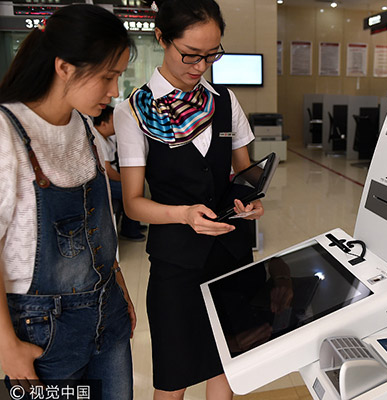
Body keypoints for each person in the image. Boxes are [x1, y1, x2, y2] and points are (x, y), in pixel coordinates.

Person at [114, 0, 263, 398]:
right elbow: (133, 203)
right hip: (176, 264)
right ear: (162, 38)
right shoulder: (134, 112)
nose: (201, 67)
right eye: (191, 55)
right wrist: (183, 214)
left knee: (229, 364)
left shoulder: (225, 101)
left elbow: (244, 170)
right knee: (173, 374)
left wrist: (253, 197)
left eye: (211, 55)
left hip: (231, 255)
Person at [0, 4, 136, 399]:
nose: (115, 91)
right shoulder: (7, 132)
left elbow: (99, 225)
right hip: (42, 333)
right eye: (107, 76)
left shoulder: (84, 125)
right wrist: (8, 349)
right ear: (63, 67)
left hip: (108, 312)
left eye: (118, 76)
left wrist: (118, 286)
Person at [94, 106, 146, 241]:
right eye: (113, 121)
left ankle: (134, 223)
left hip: (110, 178)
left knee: (136, 187)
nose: (117, 124)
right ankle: (130, 230)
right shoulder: (97, 139)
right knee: (129, 190)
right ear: (103, 123)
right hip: (103, 181)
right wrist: (126, 181)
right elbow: (108, 171)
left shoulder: (108, 138)